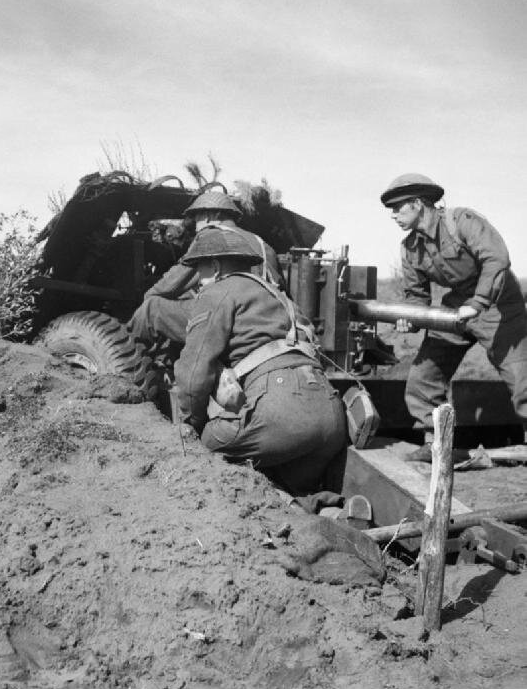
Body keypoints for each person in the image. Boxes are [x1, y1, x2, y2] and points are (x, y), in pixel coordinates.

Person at [174, 225, 347, 495]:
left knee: (204, 445)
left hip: (280, 416)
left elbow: (193, 374)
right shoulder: (278, 295)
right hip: (330, 417)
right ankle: (319, 508)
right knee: (285, 480)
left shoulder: (217, 293)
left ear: (216, 266)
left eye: (200, 270)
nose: (197, 279)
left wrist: (189, 426)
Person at [381, 173, 527, 459]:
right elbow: (417, 297)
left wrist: (478, 303)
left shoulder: (462, 222)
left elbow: (496, 259)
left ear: (418, 204)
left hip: (499, 303)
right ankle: (435, 444)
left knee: (522, 380)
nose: (394, 216)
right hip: (457, 307)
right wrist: (410, 318)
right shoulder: (410, 248)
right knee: (424, 376)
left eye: (399, 208)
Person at [129, 191, 283, 348]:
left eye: (197, 218)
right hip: (261, 319)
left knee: (151, 309)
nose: (195, 225)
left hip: (227, 318)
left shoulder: (210, 237)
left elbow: (174, 283)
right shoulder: (263, 244)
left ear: (210, 215)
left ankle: (128, 365)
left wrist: (148, 296)